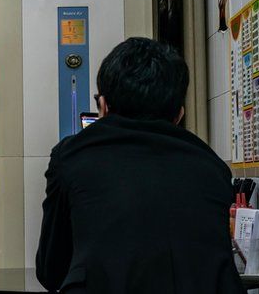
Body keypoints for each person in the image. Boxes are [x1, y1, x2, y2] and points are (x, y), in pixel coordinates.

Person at [35, 38, 245, 294]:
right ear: (179, 114)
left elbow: (51, 270)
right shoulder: (213, 168)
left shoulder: (71, 156)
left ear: (103, 106)